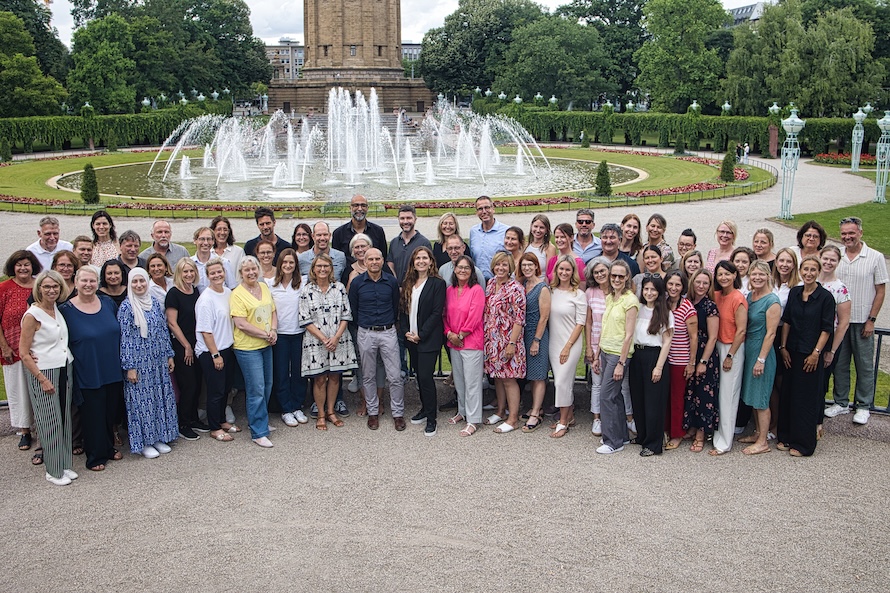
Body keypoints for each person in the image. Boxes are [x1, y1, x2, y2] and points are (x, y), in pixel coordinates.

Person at [60, 266, 124, 471]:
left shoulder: (107, 303)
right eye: (84, 281)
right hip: (87, 369)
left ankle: (108, 446)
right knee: (92, 413)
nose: (88, 285)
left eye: (92, 281)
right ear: (76, 282)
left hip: (112, 368)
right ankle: (95, 455)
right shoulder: (65, 310)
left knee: (109, 412)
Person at [826, 217, 888, 425]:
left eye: (851, 233)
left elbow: (880, 291)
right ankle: (841, 402)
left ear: (860, 232)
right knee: (840, 364)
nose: (847, 237)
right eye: (844, 233)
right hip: (839, 321)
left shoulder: (874, 257)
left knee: (864, 365)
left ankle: (863, 405)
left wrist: (871, 319)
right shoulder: (837, 256)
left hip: (862, 320)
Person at [20, 271, 77, 485]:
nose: (51, 290)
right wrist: (42, 379)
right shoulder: (32, 315)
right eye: (47, 287)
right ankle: (53, 470)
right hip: (44, 371)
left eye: (55, 287)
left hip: (63, 366)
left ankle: (64, 464)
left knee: (64, 417)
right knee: (49, 421)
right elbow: (24, 353)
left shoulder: (56, 309)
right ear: (39, 289)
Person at [118, 268, 179, 459]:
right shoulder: (127, 307)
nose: (139, 285)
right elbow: (124, 339)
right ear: (130, 284)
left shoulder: (152, 303)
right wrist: (129, 367)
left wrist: (169, 355)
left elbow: (162, 330)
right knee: (141, 403)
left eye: (142, 281)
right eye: (134, 282)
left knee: (159, 399)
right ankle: (143, 442)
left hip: (157, 359)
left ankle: (159, 436)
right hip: (138, 363)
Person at [777, 256, 835, 456]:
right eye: (805, 269)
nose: (808, 273)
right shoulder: (795, 292)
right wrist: (783, 347)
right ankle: (785, 436)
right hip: (791, 351)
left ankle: (803, 444)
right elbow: (787, 321)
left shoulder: (825, 297)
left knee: (806, 398)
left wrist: (816, 353)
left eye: (813, 270)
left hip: (810, 354)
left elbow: (826, 329)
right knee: (788, 394)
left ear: (818, 272)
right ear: (800, 271)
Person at [302, 254, 358, 430]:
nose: (322, 269)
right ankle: (320, 413)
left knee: (335, 376)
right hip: (316, 340)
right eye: (319, 266)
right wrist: (324, 338)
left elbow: (346, 314)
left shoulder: (339, 288)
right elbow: (304, 318)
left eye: (326, 266)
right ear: (313, 268)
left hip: (338, 339)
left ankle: (331, 411)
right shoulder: (307, 290)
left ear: (331, 268)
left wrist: (335, 338)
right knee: (319, 378)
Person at [231, 256, 278, 447]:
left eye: (253, 269)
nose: (251, 273)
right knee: (256, 388)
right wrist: (264, 334)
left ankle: (261, 420)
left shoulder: (264, 287)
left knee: (267, 384)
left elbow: (273, 311)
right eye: (246, 270)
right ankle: (258, 431)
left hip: (266, 344)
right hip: (248, 347)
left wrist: (273, 330)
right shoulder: (237, 294)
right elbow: (241, 323)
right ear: (241, 273)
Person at [400, 246, 446, 436]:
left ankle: (432, 419)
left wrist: (421, 334)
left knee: (426, 377)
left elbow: (437, 313)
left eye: (424, 258)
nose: (421, 261)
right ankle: (425, 409)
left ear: (431, 261)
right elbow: (403, 309)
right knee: (419, 377)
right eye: (417, 258)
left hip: (428, 339)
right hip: (411, 339)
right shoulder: (409, 282)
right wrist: (406, 333)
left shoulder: (437, 284)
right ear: (413, 262)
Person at [194, 258, 240, 442]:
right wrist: (215, 355)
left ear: (224, 272)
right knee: (216, 391)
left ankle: (222, 420)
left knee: (226, 388)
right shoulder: (206, 299)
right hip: (211, 351)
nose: (217, 275)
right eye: (212, 273)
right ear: (207, 276)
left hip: (227, 348)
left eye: (219, 272)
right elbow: (205, 331)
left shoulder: (228, 292)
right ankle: (214, 427)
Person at [737, 261, 781, 455]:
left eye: (761, 275)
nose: (757, 278)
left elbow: (771, 334)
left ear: (768, 276)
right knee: (753, 396)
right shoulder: (750, 296)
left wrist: (761, 359)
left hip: (762, 352)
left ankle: (763, 441)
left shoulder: (772, 301)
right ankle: (757, 432)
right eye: (754, 274)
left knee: (762, 398)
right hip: (749, 349)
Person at [597, 259, 639, 454]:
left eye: (620, 276)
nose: (616, 279)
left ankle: (613, 442)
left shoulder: (630, 301)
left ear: (626, 278)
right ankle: (622, 435)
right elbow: (606, 327)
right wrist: (597, 352)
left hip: (618, 355)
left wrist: (621, 362)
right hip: (606, 350)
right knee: (615, 396)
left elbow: (629, 334)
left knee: (606, 395)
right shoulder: (610, 297)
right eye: (613, 275)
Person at [629, 275, 674, 456]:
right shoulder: (637, 309)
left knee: (653, 403)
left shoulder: (665, 313)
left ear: (659, 292)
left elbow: (667, 341)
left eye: (653, 290)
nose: (649, 293)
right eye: (646, 289)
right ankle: (642, 435)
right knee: (638, 399)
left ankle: (653, 444)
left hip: (654, 356)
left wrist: (659, 367)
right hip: (637, 355)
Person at [1, 250, 41, 452]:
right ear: (13, 267)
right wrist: (4, 345)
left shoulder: (39, 286)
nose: (23, 268)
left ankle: (40, 428)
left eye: (27, 264)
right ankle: (24, 430)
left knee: (38, 388)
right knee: (19, 389)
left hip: (38, 347)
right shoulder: (4, 288)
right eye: (19, 265)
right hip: (13, 347)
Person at [483, 252, 526, 433]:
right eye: (498, 265)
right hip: (492, 340)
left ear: (510, 268)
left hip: (508, 340)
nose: (501, 268)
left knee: (509, 378)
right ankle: (500, 411)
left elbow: (519, 318)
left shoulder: (516, 288)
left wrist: (512, 343)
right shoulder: (491, 283)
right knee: (497, 378)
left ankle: (513, 418)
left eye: (504, 265)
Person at [444, 255, 486, 436]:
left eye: (466, 268)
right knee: (459, 381)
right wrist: (449, 334)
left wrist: (460, 335)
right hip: (454, 342)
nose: (462, 270)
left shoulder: (476, 290)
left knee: (472, 382)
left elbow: (475, 317)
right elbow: (444, 315)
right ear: (454, 269)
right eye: (459, 267)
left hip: (471, 342)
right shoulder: (450, 290)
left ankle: (473, 419)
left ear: (472, 271)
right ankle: (462, 411)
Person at [710, 260, 748, 456]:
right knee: (717, 394)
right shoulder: (717, 295)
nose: (723, 277)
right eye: (720, 274)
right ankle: (715, 433)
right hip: (716, 346)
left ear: (735, 275)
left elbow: (741, 331)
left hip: (731, 348)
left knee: (728, 396)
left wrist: (730, 355)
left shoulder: (738, 298)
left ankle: (724, 441)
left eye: (727, 274)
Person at [268, 248, 309, 427]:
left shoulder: (303, 283)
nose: (288, 265)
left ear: (296, 265)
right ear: (279, 264)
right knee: (282, 373)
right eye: (284, 262)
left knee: (299, 373)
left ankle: (297, 405)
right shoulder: (270, 284)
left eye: (291, 262)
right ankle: (286, 408)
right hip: (281, 335)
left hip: (299, 333)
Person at [165, 258, 205, 440]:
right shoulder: (173, 293)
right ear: (178, 274)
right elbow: (172, 322)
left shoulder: (194, 290)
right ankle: (183, 423)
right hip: (183, 345)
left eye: (191, 271)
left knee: (197, 383)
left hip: (197, 343)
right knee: (188, 385)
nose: (189, 274)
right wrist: (186, 346)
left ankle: (193, 418)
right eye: (185, 272)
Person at [548, 255, 587, 438]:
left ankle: (562, 421)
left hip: (570, 342)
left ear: (573, 272)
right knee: (563, 381)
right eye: (561, 269)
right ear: (556, 271)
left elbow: (580, 323)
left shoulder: (578, 294)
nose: (564, 272)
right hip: (553, 342)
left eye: (567, 270)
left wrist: (567, 347)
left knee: (561, 382)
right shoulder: (551, 291)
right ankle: (569, 415)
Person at [816, 245, 851, 438]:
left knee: (821, 385)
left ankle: (817, 423)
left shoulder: (840, 289)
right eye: (825, 258)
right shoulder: (809, 281)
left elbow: (843, 323)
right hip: (807, 341)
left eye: (832, 260)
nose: (828, 263)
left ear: (838, 263)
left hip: (828, 343)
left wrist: (832, 351)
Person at [684, 269, 720, 453]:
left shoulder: (710, 306)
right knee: (690, 391)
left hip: (705, 354)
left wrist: (703, 362)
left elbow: (713, 337)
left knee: (703, 395)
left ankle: (701, 433)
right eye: (698, 282)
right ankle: (691, 426)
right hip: (689, 351)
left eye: (705, 283)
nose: (701, 286)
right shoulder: (687, 302)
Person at [664, 270, 697, 451]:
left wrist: (691, 363)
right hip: (664, 358)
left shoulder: (687, 307)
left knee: (677, 398)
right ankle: (666, 428)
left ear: (683, 287)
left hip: (680, 360)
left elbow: (693, 338)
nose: (673, 288)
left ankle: (677, 434)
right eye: (670, 284)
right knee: (665, 397)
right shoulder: (664, 304)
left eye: (677, 285)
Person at [519, 253, 550, 432]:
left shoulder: (542, 288)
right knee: (530, 374)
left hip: (536, 334)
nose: (527, 268)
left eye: (530, 265)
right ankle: (535, 406)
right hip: (523, 333)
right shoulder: (523, 284)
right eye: (524, 265)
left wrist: (536, 340)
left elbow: (544, 316)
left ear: (536, 266)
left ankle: (536, 412)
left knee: (538, 375)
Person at [585, 258, 610, 437]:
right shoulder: (590, 292)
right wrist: (588, 347)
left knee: (617, 384)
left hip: (612, 344)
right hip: (595, 342)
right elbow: (588, 322)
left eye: (603, 271)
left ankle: (623, 417)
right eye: (596, 272)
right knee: (597, 384)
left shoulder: (618, 292)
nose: (600, 274)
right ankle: (597, 418)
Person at [331, 194, 388, 259]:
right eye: (356, 205)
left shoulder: (378, 231)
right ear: (350, 208)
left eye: (363, 205)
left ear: (367, 208)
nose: (360, 209)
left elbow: (383, 257)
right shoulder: (338, 233)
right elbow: (336, 260)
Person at [387, 204, 432, 281]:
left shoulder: (424, 243)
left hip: (416, 288)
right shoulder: (394, 243)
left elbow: (429, 268)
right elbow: (390, 264)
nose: (405, 221)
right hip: (397, 289)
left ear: (415, 219)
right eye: (402, 218)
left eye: (409, 218)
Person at [469, 195, 508, 281]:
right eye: (480, 209)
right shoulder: (473, 231)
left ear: (493, 209)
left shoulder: (506, 231)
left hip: (499, 281)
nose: (484, 211)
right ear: (476, 212)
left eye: (487, 207)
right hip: (478, 281)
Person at [192, 227, 237, 291]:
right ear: (195, 241)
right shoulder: (190, 264)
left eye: (209, 239)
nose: (205, 243)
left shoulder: (223, 263)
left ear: (213, 241)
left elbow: (232, 288)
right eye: (202, 239)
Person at [210, 215, 245, 280]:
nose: (222, 232)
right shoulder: (208, 253)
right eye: (219, 229)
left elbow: (242, 275)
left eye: (225, 229)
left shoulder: (238, 252)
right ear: (213, 231)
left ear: (229, 232)